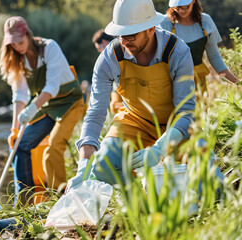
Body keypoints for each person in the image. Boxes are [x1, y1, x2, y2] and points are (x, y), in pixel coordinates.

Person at [67, 0, 226, 189]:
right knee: (102, 166)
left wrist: (159, 149)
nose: (123, 42)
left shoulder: (178, 51)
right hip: (135, 121)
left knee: (213, 187)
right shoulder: (110, 58)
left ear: (150, 29)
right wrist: (83, 165)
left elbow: (185, 112)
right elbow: (95, 114)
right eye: (120, 35)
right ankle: (140, 204)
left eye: (131, 36)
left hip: (176, 125)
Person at [0, 16, 86, 203]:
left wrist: (32, 109)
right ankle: (23, 202)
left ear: (28, 35)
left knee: (53, 148)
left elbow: (52, 87)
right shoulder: (18, 60)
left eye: (20, 42)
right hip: (48, 106)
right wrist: (14, 129)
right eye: (13, 44)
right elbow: (20, 95)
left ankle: (61, 199)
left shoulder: (50, 48)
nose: (18, 47)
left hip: (71, 102)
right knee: (19, 145)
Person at [159, 0, 241, 96]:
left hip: (197, 81)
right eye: (177, 7)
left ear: (193, 2)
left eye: (185, 7)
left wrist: (237, 81)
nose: (181, 11)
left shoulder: (205, 21)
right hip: (171, 81)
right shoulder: (164, 23)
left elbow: (214, 57)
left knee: (199, 109)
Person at [92, 29, 124, 114]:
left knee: (115, 106)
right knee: (114, 107)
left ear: (103, 42)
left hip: (123, 87)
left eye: (99, 48)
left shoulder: (120, 50)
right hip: (116, 88)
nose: (99, 51)